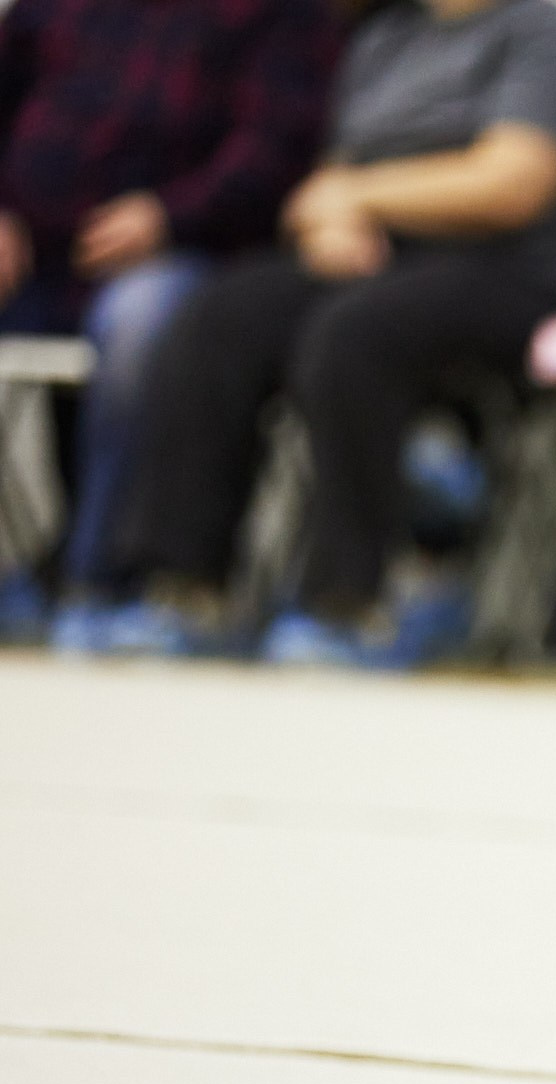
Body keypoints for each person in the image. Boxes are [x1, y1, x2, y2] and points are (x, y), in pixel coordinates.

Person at [96, 0, 556, 665]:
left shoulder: (545, 34)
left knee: (352, 335)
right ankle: (182, 587)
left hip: (510, 275)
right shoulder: (387, 38)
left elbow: (512, 182)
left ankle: (348, 602)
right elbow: (329, 179)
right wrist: (328, 220)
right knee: (219, 317)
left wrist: (360, 197)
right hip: (375, 263)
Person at [0, 0, 337, 638]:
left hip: (188, 252)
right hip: (29, 252)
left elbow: (275, 152)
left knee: (140, 323)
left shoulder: (282, 14)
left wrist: (168, 217)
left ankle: (97, 579)